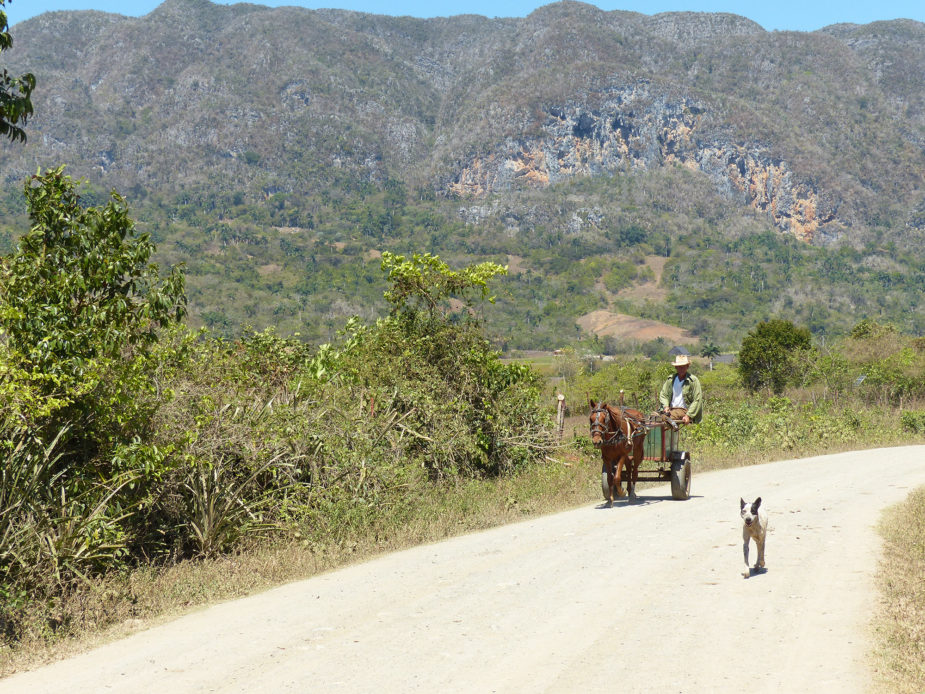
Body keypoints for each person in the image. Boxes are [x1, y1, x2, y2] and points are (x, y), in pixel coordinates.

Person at [658, 354, 703, 426]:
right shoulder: (671, 379)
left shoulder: (693, 380)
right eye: (679, 367)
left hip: (684, 410)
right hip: (670, 409)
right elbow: (664, 394)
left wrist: (688, 415)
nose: (681, 369)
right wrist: (666, 406)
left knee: (665, 419)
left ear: (687, 367)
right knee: (653, 418)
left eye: (683, 367)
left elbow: (697, 400)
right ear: (676, 367)